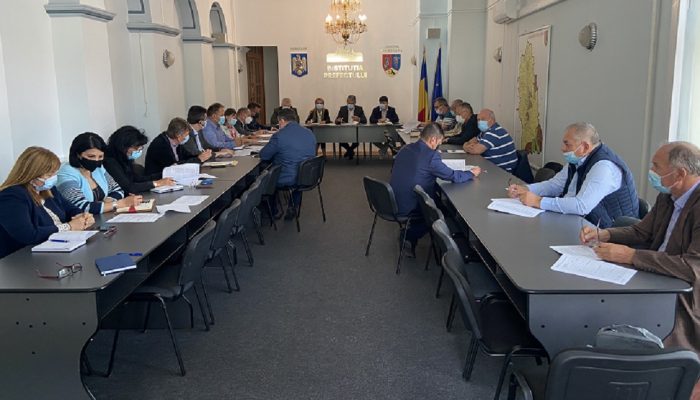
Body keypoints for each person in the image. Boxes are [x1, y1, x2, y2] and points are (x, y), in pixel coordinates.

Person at [579, 142, 700, 389]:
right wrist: (606, 234)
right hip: (654, 273)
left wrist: (632, 256)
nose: (651, 172)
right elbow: (642, 232)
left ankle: (652, 377)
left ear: (679, 174)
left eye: (656, 167)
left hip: (685, 292)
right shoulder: (668, 196)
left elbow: (693, 267)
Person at [508, 122, 639, 227]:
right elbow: (556, 185)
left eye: (567, 144)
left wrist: (538, 201)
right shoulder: (578, 159)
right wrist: (527, 189)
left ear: (585, 147)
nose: (562, 148)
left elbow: (581, 206)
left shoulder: (603, 167)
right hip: (578, 222)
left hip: (607, 232)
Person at [390, 123, 481, 254]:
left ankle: (413, 231)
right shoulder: (431, 156)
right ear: (433, 139)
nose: (440, 144)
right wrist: (471, 173)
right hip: (411, 204)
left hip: (393, 199)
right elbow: (453, 176)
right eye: (439, 141)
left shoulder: (406, 148)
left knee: (438, 199)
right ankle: (409, 235)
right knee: (442, 212)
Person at [0, 147, 94, 258]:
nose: (53, 178)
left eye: (55, 173)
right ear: (32, 175)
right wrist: (69, 227)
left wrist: (83, 217)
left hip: (58, 248)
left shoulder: (48, 189)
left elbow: (71, 209)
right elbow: (28, 235)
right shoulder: (12, 196)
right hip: (23, 258)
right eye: (49, 175)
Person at [57, 132, 142, 214]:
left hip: (102, 217)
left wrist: (109, 200)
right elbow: (81, 207)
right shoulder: (66, 174)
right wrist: (120, 204)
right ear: (78, 155)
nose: (96, 160)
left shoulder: (98, 168)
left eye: (100, 156)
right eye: (91, 156)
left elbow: (117, 190)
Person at [259, 108, 317, 220]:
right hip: (308, 176)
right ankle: (293, 206)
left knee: (267, 176)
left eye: (278, 123)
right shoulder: (309, 133)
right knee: (298, 170)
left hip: (287, 178)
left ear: (281, 121)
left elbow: (264, 155)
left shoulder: (279, 136)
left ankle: (273, 211)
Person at [103, 126, 176, 193]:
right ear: (123, 146)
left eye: (140, 148)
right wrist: (157, 183)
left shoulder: (125, 159)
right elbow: (129, 187)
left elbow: (137, 179)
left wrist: (164, 174)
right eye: (136, 148)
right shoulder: (110, 162)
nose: (138, 151)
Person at [145, 117, 212, 175]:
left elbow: (188, 156)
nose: (187, 137)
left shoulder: (176, 143)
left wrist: (202, 155)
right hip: (158, 179)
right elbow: (175, 166)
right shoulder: (160, 145)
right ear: (178, 136)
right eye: (186, 135)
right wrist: (198, 159)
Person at [335, 95, 367, 160]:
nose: (350, 105)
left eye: (352, 103)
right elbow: (336, 121)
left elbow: (365, 120)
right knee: (341, 141)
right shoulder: (342, 109)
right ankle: (350, 151)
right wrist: (338, 120)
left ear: (355, 102)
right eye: (349, 103)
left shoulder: (359, 109)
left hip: (355, 131)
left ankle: (349, 151)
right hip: (345, 131)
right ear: (347, 102)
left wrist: (359, 119)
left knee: (357, 141)